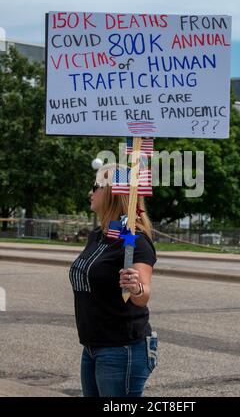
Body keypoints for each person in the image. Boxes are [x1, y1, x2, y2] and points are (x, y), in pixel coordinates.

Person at [69, 163, 158, 397]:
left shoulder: (134, 241)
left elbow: (143, 294)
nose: (91, 192)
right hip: (92, 346)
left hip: (121, 349)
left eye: (95, 186)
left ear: (112, 192)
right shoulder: (98, 236)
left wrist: (136, 288)